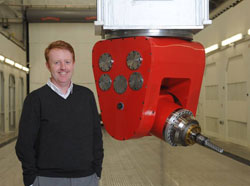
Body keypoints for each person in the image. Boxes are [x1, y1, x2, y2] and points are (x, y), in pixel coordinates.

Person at [15, 40, 104, 186]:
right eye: (56, 62)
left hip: (86, 178)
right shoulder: (35, 99)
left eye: (67, 62)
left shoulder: (86, 96)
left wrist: (97, 172)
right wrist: (31, 179)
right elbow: (24, 145)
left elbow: (96, 136)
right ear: (48, 65)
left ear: (73, 63)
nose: (63, 67)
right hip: (47, 179)